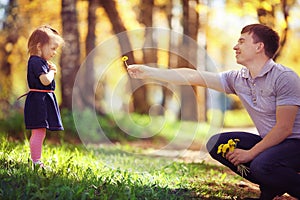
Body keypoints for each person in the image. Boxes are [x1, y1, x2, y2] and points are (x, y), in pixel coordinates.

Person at [127, 24, 300, 199]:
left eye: (241, 41)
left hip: (295, 142)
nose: (235, 46)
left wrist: (250, 153)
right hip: (273, 143)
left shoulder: (284, 77)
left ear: (259, 46)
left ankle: (280, 184)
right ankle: (273, 185)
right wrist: (150, 72)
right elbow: (193, 76)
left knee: (261, 164)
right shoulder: (239, 78)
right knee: (218, 144)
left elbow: (284, 129)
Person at [24, 25, 64, 168]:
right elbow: (45, 80)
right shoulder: (35, 61)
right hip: (38, 101)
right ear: (40, 46)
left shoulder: (40, 61)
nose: (54, 52)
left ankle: (37, 160)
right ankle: (36, 162)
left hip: (41, 100)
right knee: (38, 132)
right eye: (53, 48)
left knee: (41, 131)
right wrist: (52, 72)